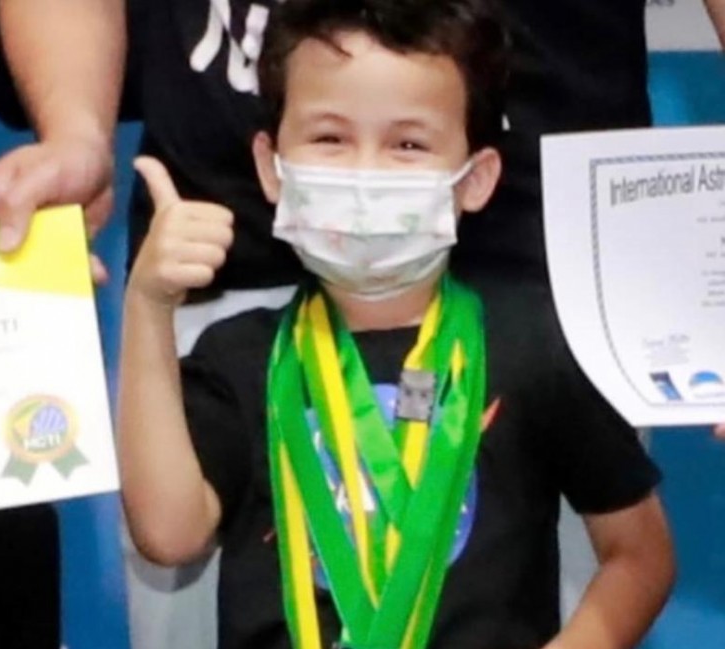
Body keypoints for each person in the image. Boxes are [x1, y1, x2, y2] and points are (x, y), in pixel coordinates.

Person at [118, 2, 675, 649]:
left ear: (476, 178)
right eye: (329, 138)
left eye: (408, 145)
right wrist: (148, 305)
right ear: (271, 166)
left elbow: (640, 555)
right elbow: (169, 534)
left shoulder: (536, 347)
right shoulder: (240, 356)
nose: (365, 174)